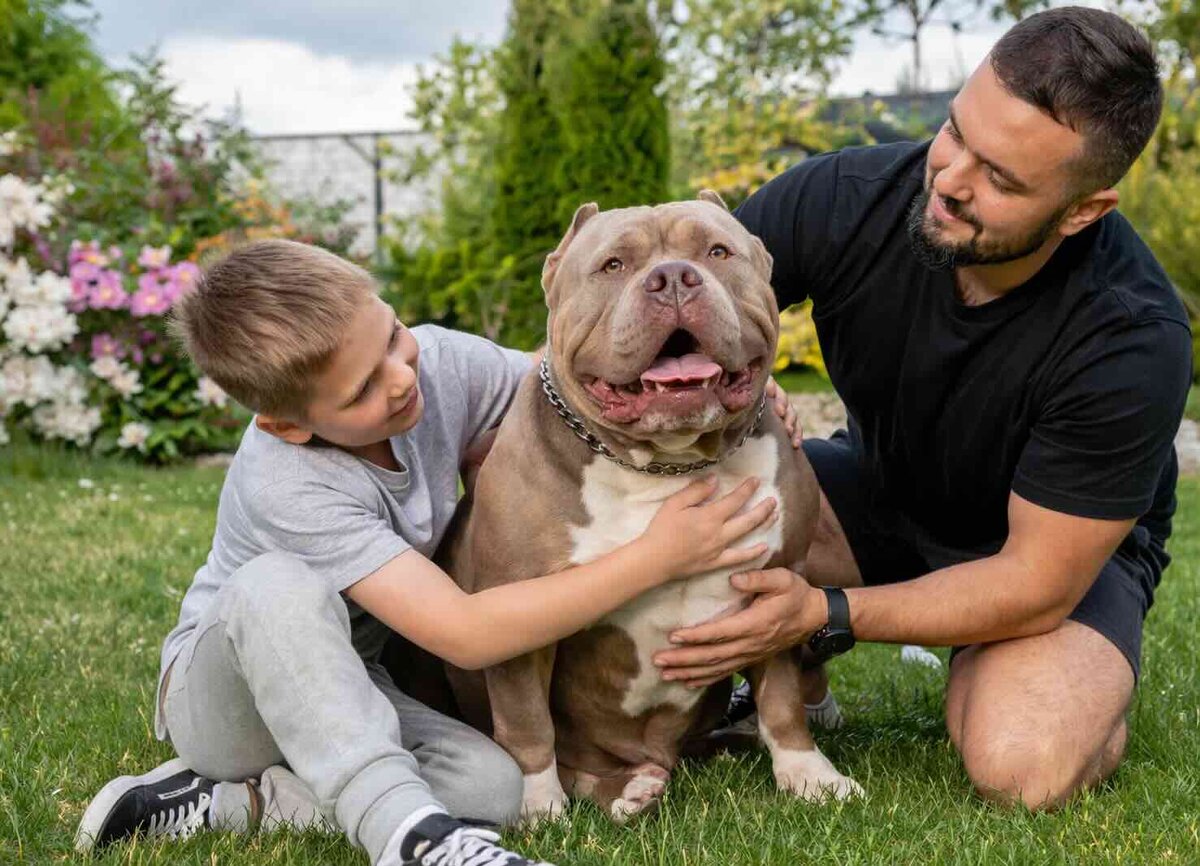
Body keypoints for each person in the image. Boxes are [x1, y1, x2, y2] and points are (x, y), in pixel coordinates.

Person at [74, 239, 783, 866]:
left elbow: (561, 384)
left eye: (391, 335)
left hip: (357, 679)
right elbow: (466, 634)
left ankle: (228, 804)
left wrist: (702, 378)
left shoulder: (436, 363)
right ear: (288, 425)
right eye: (361, 389)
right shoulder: (285, 482)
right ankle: (411, 837)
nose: (401, 377)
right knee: (275, 584)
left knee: (495, 787)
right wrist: (657, 557)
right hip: (231, 702)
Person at [654, 6, 1192, 812]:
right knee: (679, 483)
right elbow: (669, 304)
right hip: (877, 497)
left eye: (1001, 178)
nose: (949, 180)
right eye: (955, 132)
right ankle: (798, 686)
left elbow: (1037, 580)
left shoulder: (1132, 334)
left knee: (1022, 765)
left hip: (1046, 561)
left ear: (1083, 210)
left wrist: (826, 614)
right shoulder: (843, 197)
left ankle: (1048, 679)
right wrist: (729, 374)